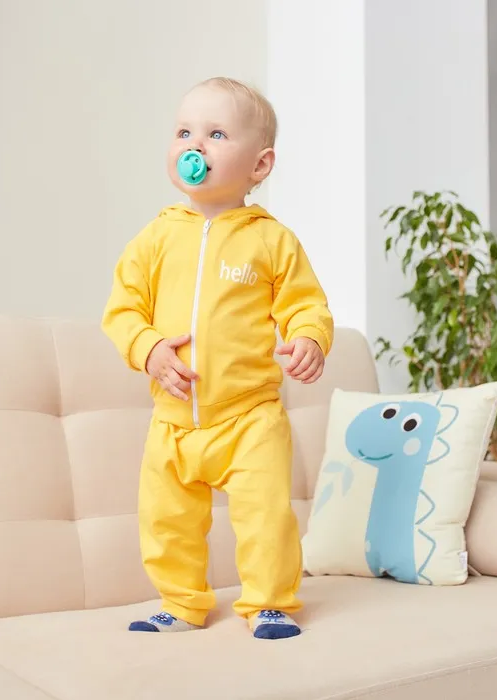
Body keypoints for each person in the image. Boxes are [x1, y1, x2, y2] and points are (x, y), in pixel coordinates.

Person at [102, 77, 334, 639]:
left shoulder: (272, 240)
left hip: (249, 416)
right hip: (173, 419)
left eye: (216, 134)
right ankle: (182, 603)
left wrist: (308, 338)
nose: (195, 145)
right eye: (184, 132)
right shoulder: (155, 238)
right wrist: (149, 349)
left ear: (260, 165)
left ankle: (270, 602)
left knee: (265, 515)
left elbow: (306, 304)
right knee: (167, 521)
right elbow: (122, 310)